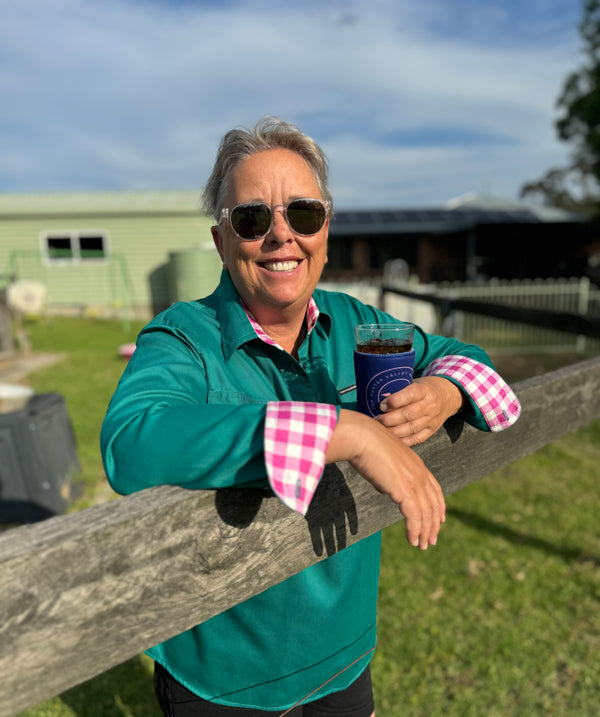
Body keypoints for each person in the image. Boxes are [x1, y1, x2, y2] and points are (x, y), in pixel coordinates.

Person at [100, 116, 521, 716]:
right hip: (223, 672)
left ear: (324, 229)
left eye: (302, 214)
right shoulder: (181, 339)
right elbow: (130, 443)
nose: (281, 237)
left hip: (345, 652)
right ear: (221, 242)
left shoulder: (357, 323)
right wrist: (343, 431)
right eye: (251, 219)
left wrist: (447, 391)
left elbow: (466, 358)